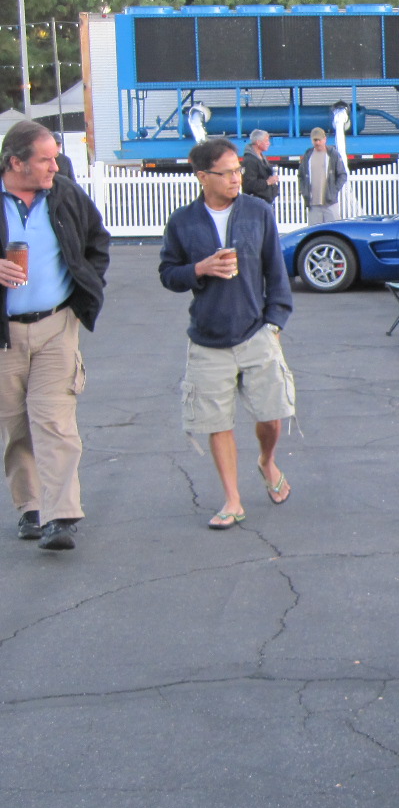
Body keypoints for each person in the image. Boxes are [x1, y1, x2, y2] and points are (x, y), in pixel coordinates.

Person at [159, 139, 295, 531]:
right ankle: (232, 500)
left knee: (272, 416)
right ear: (203, 177)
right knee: (218, 423)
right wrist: (198, 269)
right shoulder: (183, 221)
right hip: (208, 338)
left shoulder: (258, 212)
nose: (237, 178)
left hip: (256, 332)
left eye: (239, 170)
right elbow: (168, 274)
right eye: (228, 172)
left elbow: (275, 271)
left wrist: (275, 321)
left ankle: (267, 461)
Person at [0, 121, 110, 552]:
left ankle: (60, 515)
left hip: (56, 326)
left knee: (55, 422)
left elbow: (97, 241)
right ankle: (30, 507)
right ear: (16, 162)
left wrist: (86, 288)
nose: (55, 166)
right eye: (45, 159)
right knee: (15, 425)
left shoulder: (64, 193)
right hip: (5, 333)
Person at [298, 127, 348, 224]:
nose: (317, 143)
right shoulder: (308, 155)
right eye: (315, 140)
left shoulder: (333, 155)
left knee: (333, 230)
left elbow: (342, 175)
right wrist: (304, 192)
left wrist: (333, 191)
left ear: (325, 139)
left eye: (319, 140)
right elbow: (301, 176)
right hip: (313, 205)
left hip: (330, 204)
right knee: (315, 232)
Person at [241, 130, 280, 204]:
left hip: (265, 201)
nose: (269, 143)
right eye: (266, 140)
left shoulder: (261, 158)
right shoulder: (250, 161)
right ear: (258, 142)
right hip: (255, 203)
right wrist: (267, 182)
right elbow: (248, 184)